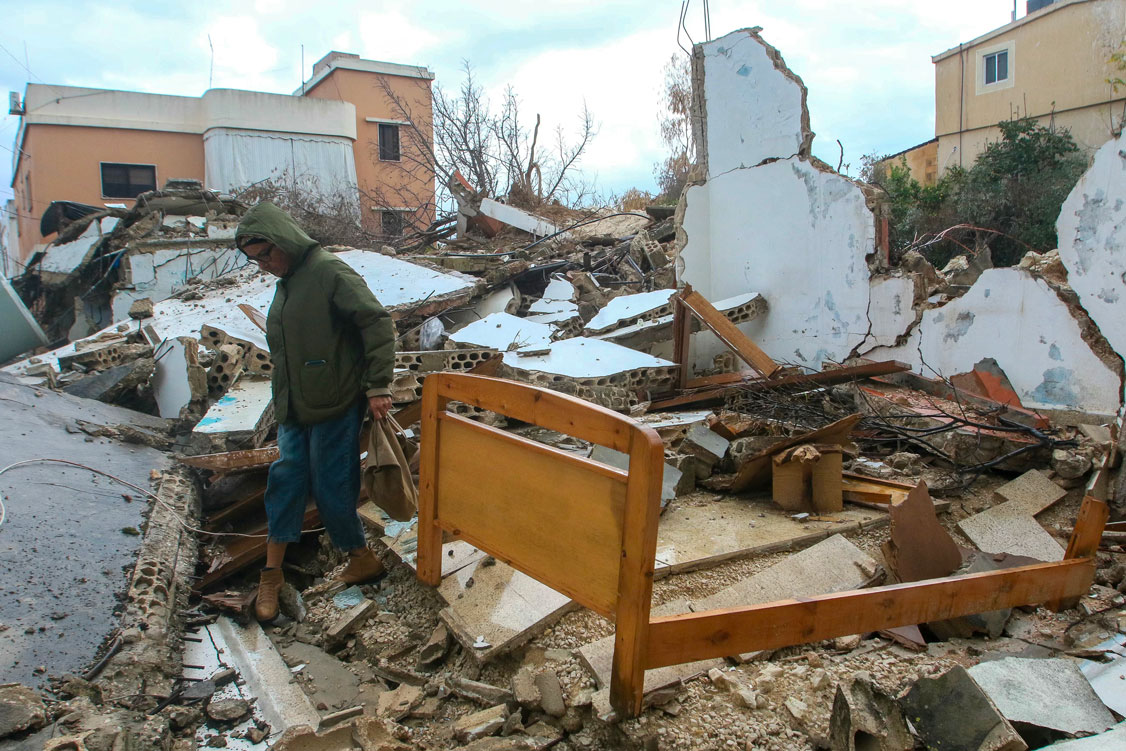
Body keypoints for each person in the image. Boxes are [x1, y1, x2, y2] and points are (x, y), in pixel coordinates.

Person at [235, 202, 395, 622]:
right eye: (256, 260)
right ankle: (271, 576)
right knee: (285, 478)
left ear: (283, 239)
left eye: (267, 254)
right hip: (293, 403)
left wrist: (378, 385)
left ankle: (361, 557)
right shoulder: (285, 283)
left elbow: (376, 322)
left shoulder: (329, 271)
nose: (265, 265)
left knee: (331, 484)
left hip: (336, 400)